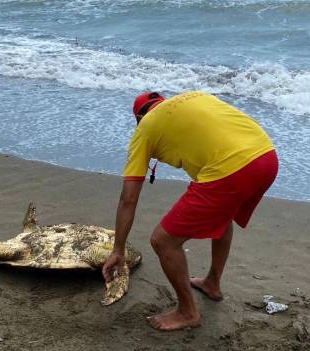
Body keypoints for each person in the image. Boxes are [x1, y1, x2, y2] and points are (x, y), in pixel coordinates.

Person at [102, 91, 278, 331]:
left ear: (139, 119)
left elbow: (128, 198)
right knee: (222, 215)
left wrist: (118, 249)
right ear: (163, 104)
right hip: (267, 156)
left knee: (163, 240)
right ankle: (212, 283)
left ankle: (187, 312)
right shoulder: (193, 98)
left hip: (234, 167)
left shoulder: (145, 129)